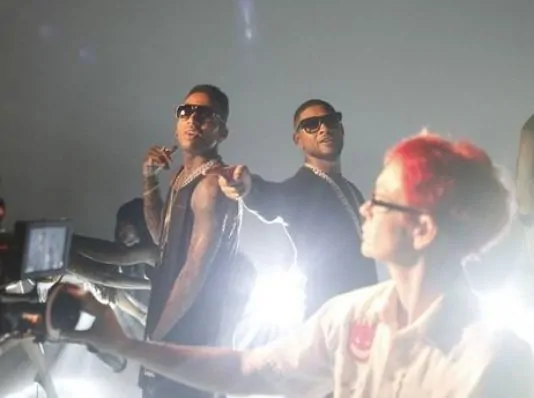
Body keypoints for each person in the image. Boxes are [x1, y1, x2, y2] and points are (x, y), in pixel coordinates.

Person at [58, 131, 534, 397]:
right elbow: (250, 370)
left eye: (381, 201)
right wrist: (125, 344)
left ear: (423, 229)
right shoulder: (353, 316)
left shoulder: (493, 366)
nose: (365, 209)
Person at [219, 99, 377, 317]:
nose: (324, 129)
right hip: (326, 319)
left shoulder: (351, 189)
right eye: (311, 125)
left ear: (341, 129)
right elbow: (272, 199)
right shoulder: (300, 188)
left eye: (330, 121)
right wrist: (247, 186)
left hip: (366, 314)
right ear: (298, 140)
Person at [139, 85, 242, 398]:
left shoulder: (213, 184)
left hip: (191, 340)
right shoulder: (182, 176)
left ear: (222, 131)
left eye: (205, 114)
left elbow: (194, 271)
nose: (193, 119)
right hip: (173, 331)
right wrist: (149, 180)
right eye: (186, 111)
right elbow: (161, 239)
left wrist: (156, 341)